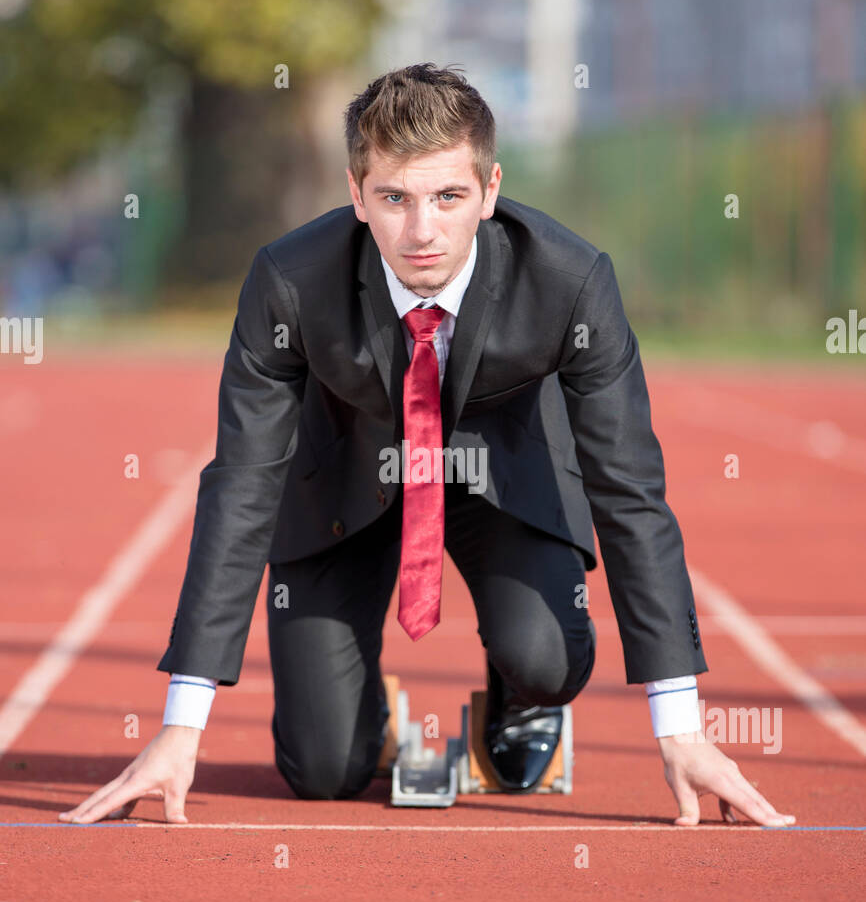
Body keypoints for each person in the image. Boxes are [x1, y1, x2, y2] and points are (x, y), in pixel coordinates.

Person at [60, 64, 795, 829]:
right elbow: (244, 480)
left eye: (448, 197)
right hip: (347, 481)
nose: (422, 230)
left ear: (490, 189)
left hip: (503, 479)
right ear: (355, 194)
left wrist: (681, 727)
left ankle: (517, 696)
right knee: (320, 770)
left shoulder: (571, 283)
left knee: (547, 659)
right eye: (394, 199)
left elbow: (629, 487)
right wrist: (183, 727)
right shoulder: (289, 281)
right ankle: (368, 714)